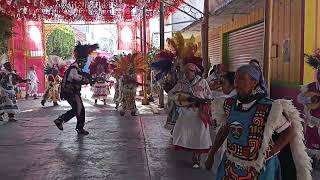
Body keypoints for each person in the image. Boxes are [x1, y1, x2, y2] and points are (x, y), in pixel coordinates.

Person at [205, 64, 311, 180]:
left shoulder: (269, 107)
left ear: (254, 82)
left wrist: (270, 153)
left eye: (241, 79)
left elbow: (289, 132)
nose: (236, 82)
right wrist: (211, 153)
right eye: (235, 78)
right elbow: (225, 130)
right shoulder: (228, 104)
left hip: (260, 169)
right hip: (232, 164)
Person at [169, 62, 212, 168]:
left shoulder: (203, 82)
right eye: (186, 71)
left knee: (199, 134)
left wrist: (204, 102)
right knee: (183, 133)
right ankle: (189, 149)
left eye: (191, 70)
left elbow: (209, 96)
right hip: (186, 112)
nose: (188, 73)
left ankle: (197, 158)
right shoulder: (181, 83)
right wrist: (179, 98)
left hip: (199, 112)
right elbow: (171, 94)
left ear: (195, 71)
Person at [53, 43, 98, 135]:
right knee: (80, 109)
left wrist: (90, 79)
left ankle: (61, 120)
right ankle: (79, 127)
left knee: (77, 109)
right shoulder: (74, 68)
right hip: (71, 92)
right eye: (84, 61)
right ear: (81, 60)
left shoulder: (76, 68)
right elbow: (77, 78)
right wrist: (88, 79)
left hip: (72, 92)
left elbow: (80, 77)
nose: (85, 63)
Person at [209, 72, 236, 176]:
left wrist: (211, 153)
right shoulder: (227, 98)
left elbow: (222, 128)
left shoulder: (225, 101)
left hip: (229, 143)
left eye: (223, 83)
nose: (221, 86)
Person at [297, 59, 320, 167]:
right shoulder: (311, 86)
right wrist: (311, 100)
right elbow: (299, 98)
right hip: (313, 120)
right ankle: (313, 159)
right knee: (312, 140)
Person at [0, 55, 29, 121]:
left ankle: (11, 117)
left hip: (10, 91)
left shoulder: (12, 74)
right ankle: (1, 116)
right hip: (4, 91)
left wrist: (25, 80)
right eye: (8, 66)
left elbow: (19, 79)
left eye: (10, 66)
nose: (10, 67)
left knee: (11, 103)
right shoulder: (2, 74)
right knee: (4, 103)